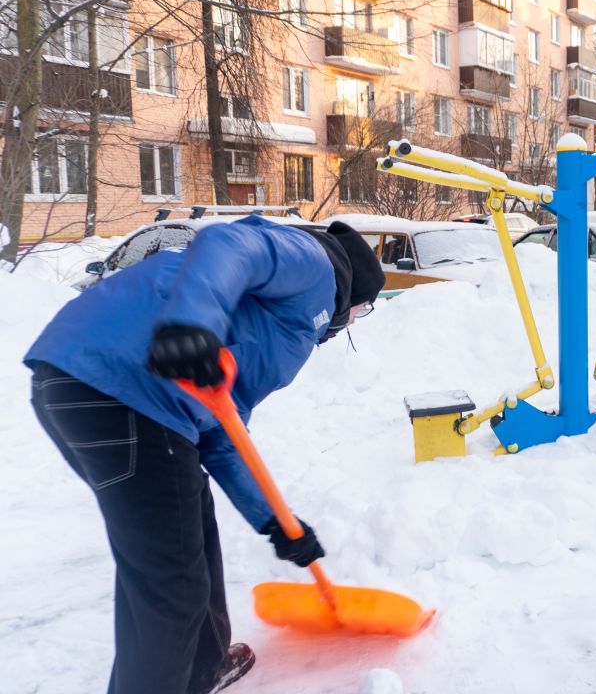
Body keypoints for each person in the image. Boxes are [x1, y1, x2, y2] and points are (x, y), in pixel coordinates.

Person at [24, 216, 385, 694]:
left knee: (184, 532)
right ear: (354, 295)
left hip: (94, 387)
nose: (357, 321)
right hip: (123, 387)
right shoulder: (314, 265)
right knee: (171, 587)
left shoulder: (279, 323)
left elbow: (220, 431)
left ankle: (202, 667)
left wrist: (275, 520)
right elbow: (230, 242)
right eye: (365, 310)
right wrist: (193, 324)